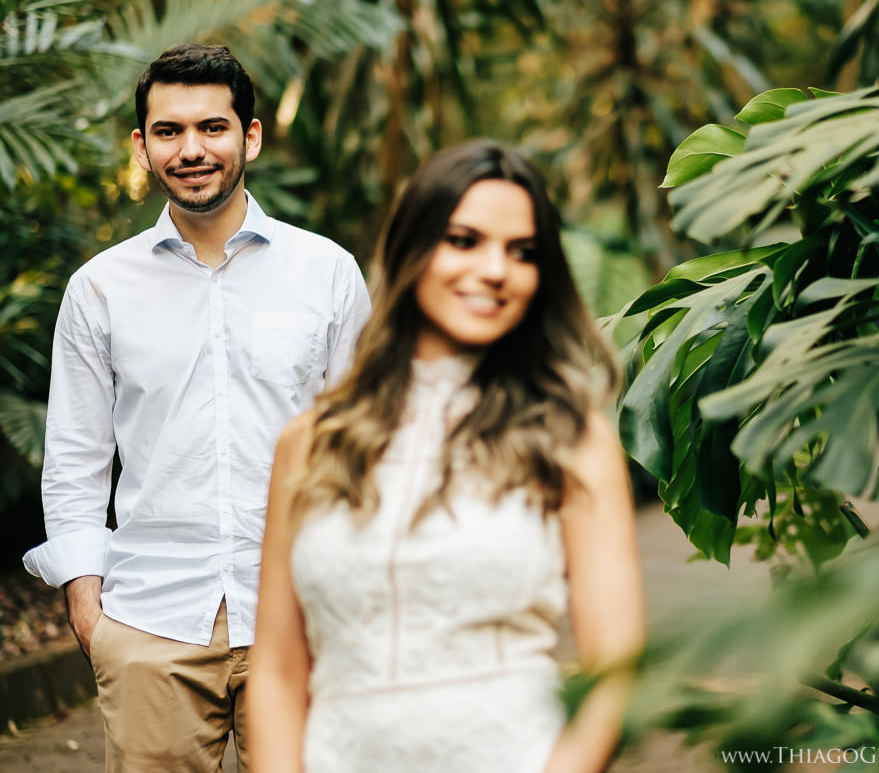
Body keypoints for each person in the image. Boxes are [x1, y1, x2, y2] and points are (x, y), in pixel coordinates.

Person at [22, 43, 370, 772]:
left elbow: (364, 447)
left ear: (251, 136)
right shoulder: (100, 288)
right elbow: (77, 456)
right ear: (142, 146)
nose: (191, 149)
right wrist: (87, 602)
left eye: (212, 127)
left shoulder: (327, 273)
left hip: (304, 618)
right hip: (150, 623)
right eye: (169, 131)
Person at [247, 139, 645, 772]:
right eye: (464, 240)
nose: (496, 269)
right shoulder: (313, 441)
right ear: (412, 249)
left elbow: (615, 672)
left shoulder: (571, 438)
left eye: (522, 252)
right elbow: (276, 669)